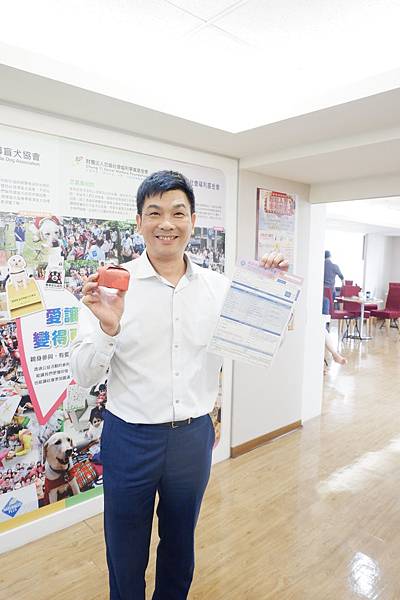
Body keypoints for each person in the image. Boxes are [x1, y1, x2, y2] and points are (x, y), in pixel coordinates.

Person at [70, 170, 288, 600]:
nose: (166, 223)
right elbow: (83, 375)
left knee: (180, 546)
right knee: (125, 551)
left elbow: (265, 339)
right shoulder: (111, 288)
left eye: (177, 212)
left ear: (193, 221)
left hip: (191, 437)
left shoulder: (219, 288)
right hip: (129, 437)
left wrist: (271, 291)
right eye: (154, 213)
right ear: (139, 222)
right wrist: (109, 330)